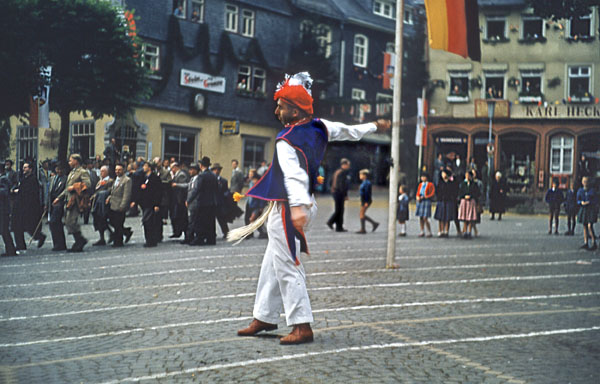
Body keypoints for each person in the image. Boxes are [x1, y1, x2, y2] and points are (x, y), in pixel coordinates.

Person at [234, 72, 390, 345]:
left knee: (287, 265)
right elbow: (349, 131)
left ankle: (301, 325)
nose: (276, 110)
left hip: (288, 207)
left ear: (294, 110)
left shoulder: (286, 138)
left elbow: (293, 176)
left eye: (281, 106)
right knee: (273, 262)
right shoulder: (319, 126)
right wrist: (374, 126)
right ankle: (265, 315)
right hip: (298, 204)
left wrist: (296, 208)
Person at [53, 154, 91, 252]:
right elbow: (67, 188)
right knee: (68, 221)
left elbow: (87, 184)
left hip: (76, 200)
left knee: (71, 221)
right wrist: (59, 198)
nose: (69, 162)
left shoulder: (82, 172)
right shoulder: (72, 172)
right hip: (69, 200)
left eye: (71, 160)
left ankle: (80, 241)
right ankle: (79, 240)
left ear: (76, 161)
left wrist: (74, 187)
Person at [11, 161, 46, 250]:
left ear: (30, 169)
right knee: (19, 226)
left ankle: (39, 237)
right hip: (21, 206)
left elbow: (30, 193)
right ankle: (21, 244)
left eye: (26, 167)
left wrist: (18, 191)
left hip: (28, 207)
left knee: (27, 226)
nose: (24, 169)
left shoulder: (32, 179)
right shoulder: (24, 178)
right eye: (23, 167)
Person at [130, 162, 162, 247]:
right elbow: (139, 190)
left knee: (148, 221)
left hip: (151, 203)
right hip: (144, 203)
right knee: (147, 222)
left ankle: (151, 240)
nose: (143, 168)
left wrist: (157, 204)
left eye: (145, 166)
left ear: (149, 168)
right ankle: (148, 239)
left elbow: (158, 192)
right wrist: (135, 201)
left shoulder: (155, 178)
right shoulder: (143, 177)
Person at [191, 157, 219, 246]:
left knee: (200, 221)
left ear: (201, 165)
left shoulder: (201, 176)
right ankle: (211, 239)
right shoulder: (213, 175)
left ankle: (200, 239)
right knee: (210, 221)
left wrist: (189, 199)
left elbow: (197, 189)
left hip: (203, 202)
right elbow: (217, 188)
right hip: (212, 201)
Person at [107, 163, 133, 248]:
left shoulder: (127, 180)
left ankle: (118, 241)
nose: (117, 171)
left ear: (123, 170)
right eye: (116, 170)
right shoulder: (116, 179)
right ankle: (126, 232)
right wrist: (109, 197)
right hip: (113, 204)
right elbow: (113, 191)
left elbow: (127, 194)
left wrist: (123, 205)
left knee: (118, 224)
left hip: (120, 204)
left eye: (119, 170)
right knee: (113, 222)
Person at [327, 158, 351, 232]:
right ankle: (333, 224)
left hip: (335, 192)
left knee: (339, 210)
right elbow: (342, 185)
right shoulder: (343, 173)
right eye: (348, 165)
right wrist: (345, 195)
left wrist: (332, 189)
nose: (349, 166)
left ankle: (338, 226)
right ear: (344, 165)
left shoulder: (337, 171)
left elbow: (330, 181)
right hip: (339, 193)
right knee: (340, 210)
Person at [91, 166, 114, 246]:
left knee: (103, 220)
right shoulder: (99, 181)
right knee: (98, 220)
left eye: (103, 171)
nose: (101, 173)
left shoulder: (110, 181)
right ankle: (103, 237)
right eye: (100, 171)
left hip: (103, 203)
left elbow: (111, 190)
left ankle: (111, 234)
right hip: (97, 203)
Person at [48, 162, 67, 251]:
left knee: (54, 222)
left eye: (60, 169)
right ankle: (57, 243)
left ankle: (60, 243)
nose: (58, 171)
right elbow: (49, 191)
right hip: (51, 203)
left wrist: (59, 199)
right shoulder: (53, 178)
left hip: (60, 203)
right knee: (53, 224)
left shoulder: (65, 179)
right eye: (57, 169)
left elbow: (65, 191)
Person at [0, 164, 17, 256]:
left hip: (3, 210)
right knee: (4, 230)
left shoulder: (3, 179)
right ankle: (10, 249)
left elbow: (5, 192)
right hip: (2, 209)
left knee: (4, 230)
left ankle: (11, 250)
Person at [577, 176, 597, 250]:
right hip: (584, 209)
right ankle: (586, 242)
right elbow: (578, 200)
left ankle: (594, 242)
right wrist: (581, 202)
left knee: (589, 226)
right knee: (584, 226)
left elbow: (595, 200)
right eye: (584, 181)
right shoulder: (580, 190)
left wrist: (589, 202)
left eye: (586, 181)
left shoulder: (592, 191)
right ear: (582, 182)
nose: (585, 183)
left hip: (590, 209)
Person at [434, 169, 456, 238]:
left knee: (447, 217)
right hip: (441, 200)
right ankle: (440, 230)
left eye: (444, 173)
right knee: (440, 217)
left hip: (449, 200)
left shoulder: (451, 183)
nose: (443, 175)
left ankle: (446, 230)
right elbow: (437, 191)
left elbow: (453, 191)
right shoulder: (440, 183)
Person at [458, 170, 480, 239]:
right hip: (464, 201)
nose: (467, 177)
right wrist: (464, 196)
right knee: (465, 218)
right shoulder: (463, 184)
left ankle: (469, 231)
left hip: (471, 201)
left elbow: (477, 193)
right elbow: (460, 192)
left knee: (470, 218)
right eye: (466, 175)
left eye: (468, 175)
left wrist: (471, 196)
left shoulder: (474, 184)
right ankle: (464, 231)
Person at [169, 162, 189, 239]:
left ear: (175, 167)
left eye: (172, 168)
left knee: (181, 217)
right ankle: (177, 231)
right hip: (176, 199)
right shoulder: (176, 175)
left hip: (180, 199)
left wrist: (176, 185)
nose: (171, 170)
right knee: (176, 216)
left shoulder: (181, 175)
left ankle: (185, 233)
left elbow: (185, 185)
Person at [183, 163, 201, 245]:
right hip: (190, 203)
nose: (190, 171)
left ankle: (191, 237)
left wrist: (189, 200)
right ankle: (189, 237)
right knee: (190, 220)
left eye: (191, 170)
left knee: (193, 221)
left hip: (194, 203)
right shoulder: (192, 179)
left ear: (195, 170)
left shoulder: (198, 179)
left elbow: (194, 191)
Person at [356, 169, 379, 234]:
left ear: (365, 175)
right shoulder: (364, 182)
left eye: (361, 174)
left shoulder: (367, 183)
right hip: (364, 200)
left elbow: (367, 193)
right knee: (361, 214)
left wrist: (366, 201)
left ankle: (364, 228)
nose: (359, 176)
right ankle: (373, 224)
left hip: (366, 200)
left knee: (361, 214)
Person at [211, 163, 230, 239]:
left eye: (218, 170)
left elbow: (226, 191)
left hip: (220, 202)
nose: (217, 171)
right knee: (211, 219)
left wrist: (225, 195)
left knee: (222, 219)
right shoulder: (210, 180)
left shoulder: (223, 181)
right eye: (215, 170)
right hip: (212, 202)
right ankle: (212, 233)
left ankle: (226, 232)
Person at [415, 173, 435, 237]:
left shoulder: (430, 184)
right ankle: (422, 230)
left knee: (425, 217)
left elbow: (432, 193)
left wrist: (427, 196)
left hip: (426, 200)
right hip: (420, 201)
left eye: (424, 177)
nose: (422, 178)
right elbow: (418, 192)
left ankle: (429, 231)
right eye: (422, 177)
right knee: (420, 217)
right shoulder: (420, 184)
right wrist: (417, 197)